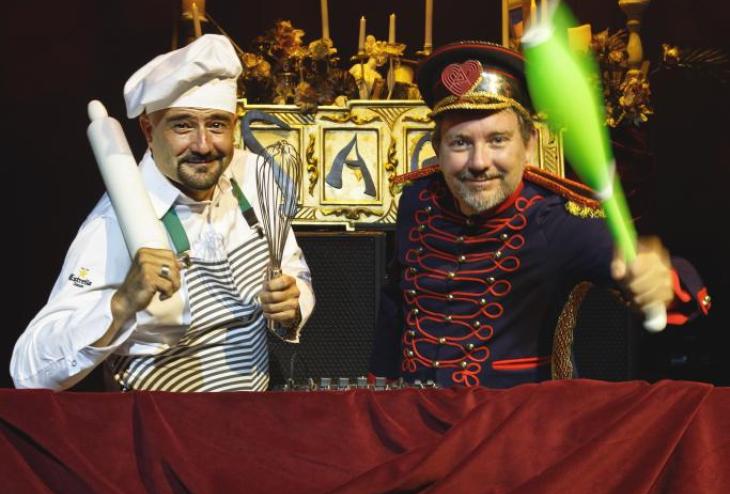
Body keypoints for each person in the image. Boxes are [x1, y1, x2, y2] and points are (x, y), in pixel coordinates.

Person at [369, 41, 710, 389]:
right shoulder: (416, 199)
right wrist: (378, 389)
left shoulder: (557, 220)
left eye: (498, 140)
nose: (479, 162)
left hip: (519, 416)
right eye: (460, 142)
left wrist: (662, 283)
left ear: (529, 145)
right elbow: (395, 301)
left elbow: (652, 272)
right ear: (437, 149)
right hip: (413, 411)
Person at [11, 35, 314, 392]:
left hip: (251, 414)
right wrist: (121, 304)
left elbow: (294, 270)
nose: (203, 145)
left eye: (217, 124)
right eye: (182, 125)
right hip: (158, 420)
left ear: (234, 125)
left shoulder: (254, 177)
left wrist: (292, 303)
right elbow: (28, 372)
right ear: (148, 130)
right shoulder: (112, 225)